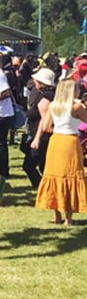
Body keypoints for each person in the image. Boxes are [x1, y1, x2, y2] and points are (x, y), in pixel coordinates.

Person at [31, 78, 87, 225]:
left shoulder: (53, 106)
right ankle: (68, 218)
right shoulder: (76, 107)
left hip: (56, 141)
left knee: (55, 176)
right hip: (70, 141)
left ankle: (56, 216)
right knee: (71, 175)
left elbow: (46, 127)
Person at [21, 68, 56, 189]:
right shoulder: (47, 95)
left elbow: (44, 120)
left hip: (41, 136)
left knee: (30, 164)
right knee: (42, 164)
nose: (34, 81)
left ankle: (42, 187)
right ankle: (46, 187)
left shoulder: (46, 98)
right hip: (41, 134)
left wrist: (37, 138)